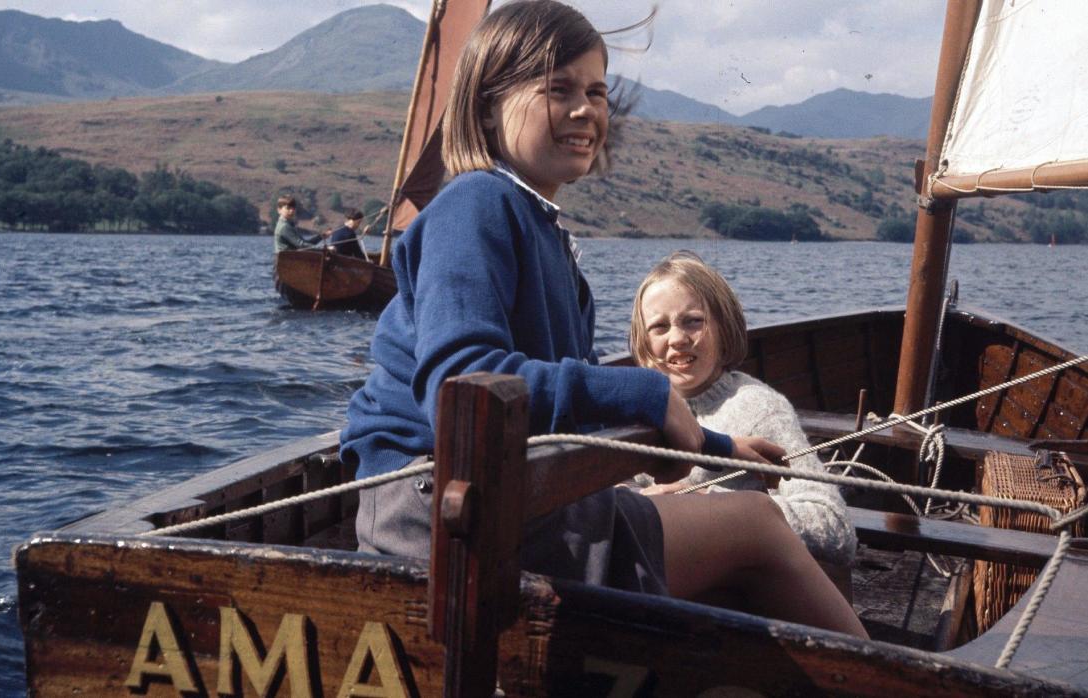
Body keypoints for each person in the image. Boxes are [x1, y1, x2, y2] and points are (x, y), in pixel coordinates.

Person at [339, 0, 865, 638]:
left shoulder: (542, 230)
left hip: (513, 503)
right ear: (486, 105)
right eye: (557, 90)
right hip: (442, 519)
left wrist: (722, 447)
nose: (586, 110)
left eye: (596, 90)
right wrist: (646, 392)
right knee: (758, 525)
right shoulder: (475, 204)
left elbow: (567, 404)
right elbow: (463, 384)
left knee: (742, 527)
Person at [629, 251, 857, 568]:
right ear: (644, 344)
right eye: (659, 327)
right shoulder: (642, 409)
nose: (678, 338)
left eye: (693, 321)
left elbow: (834, 526)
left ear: (724, 327)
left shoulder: (757, 408)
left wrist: (713, 506)